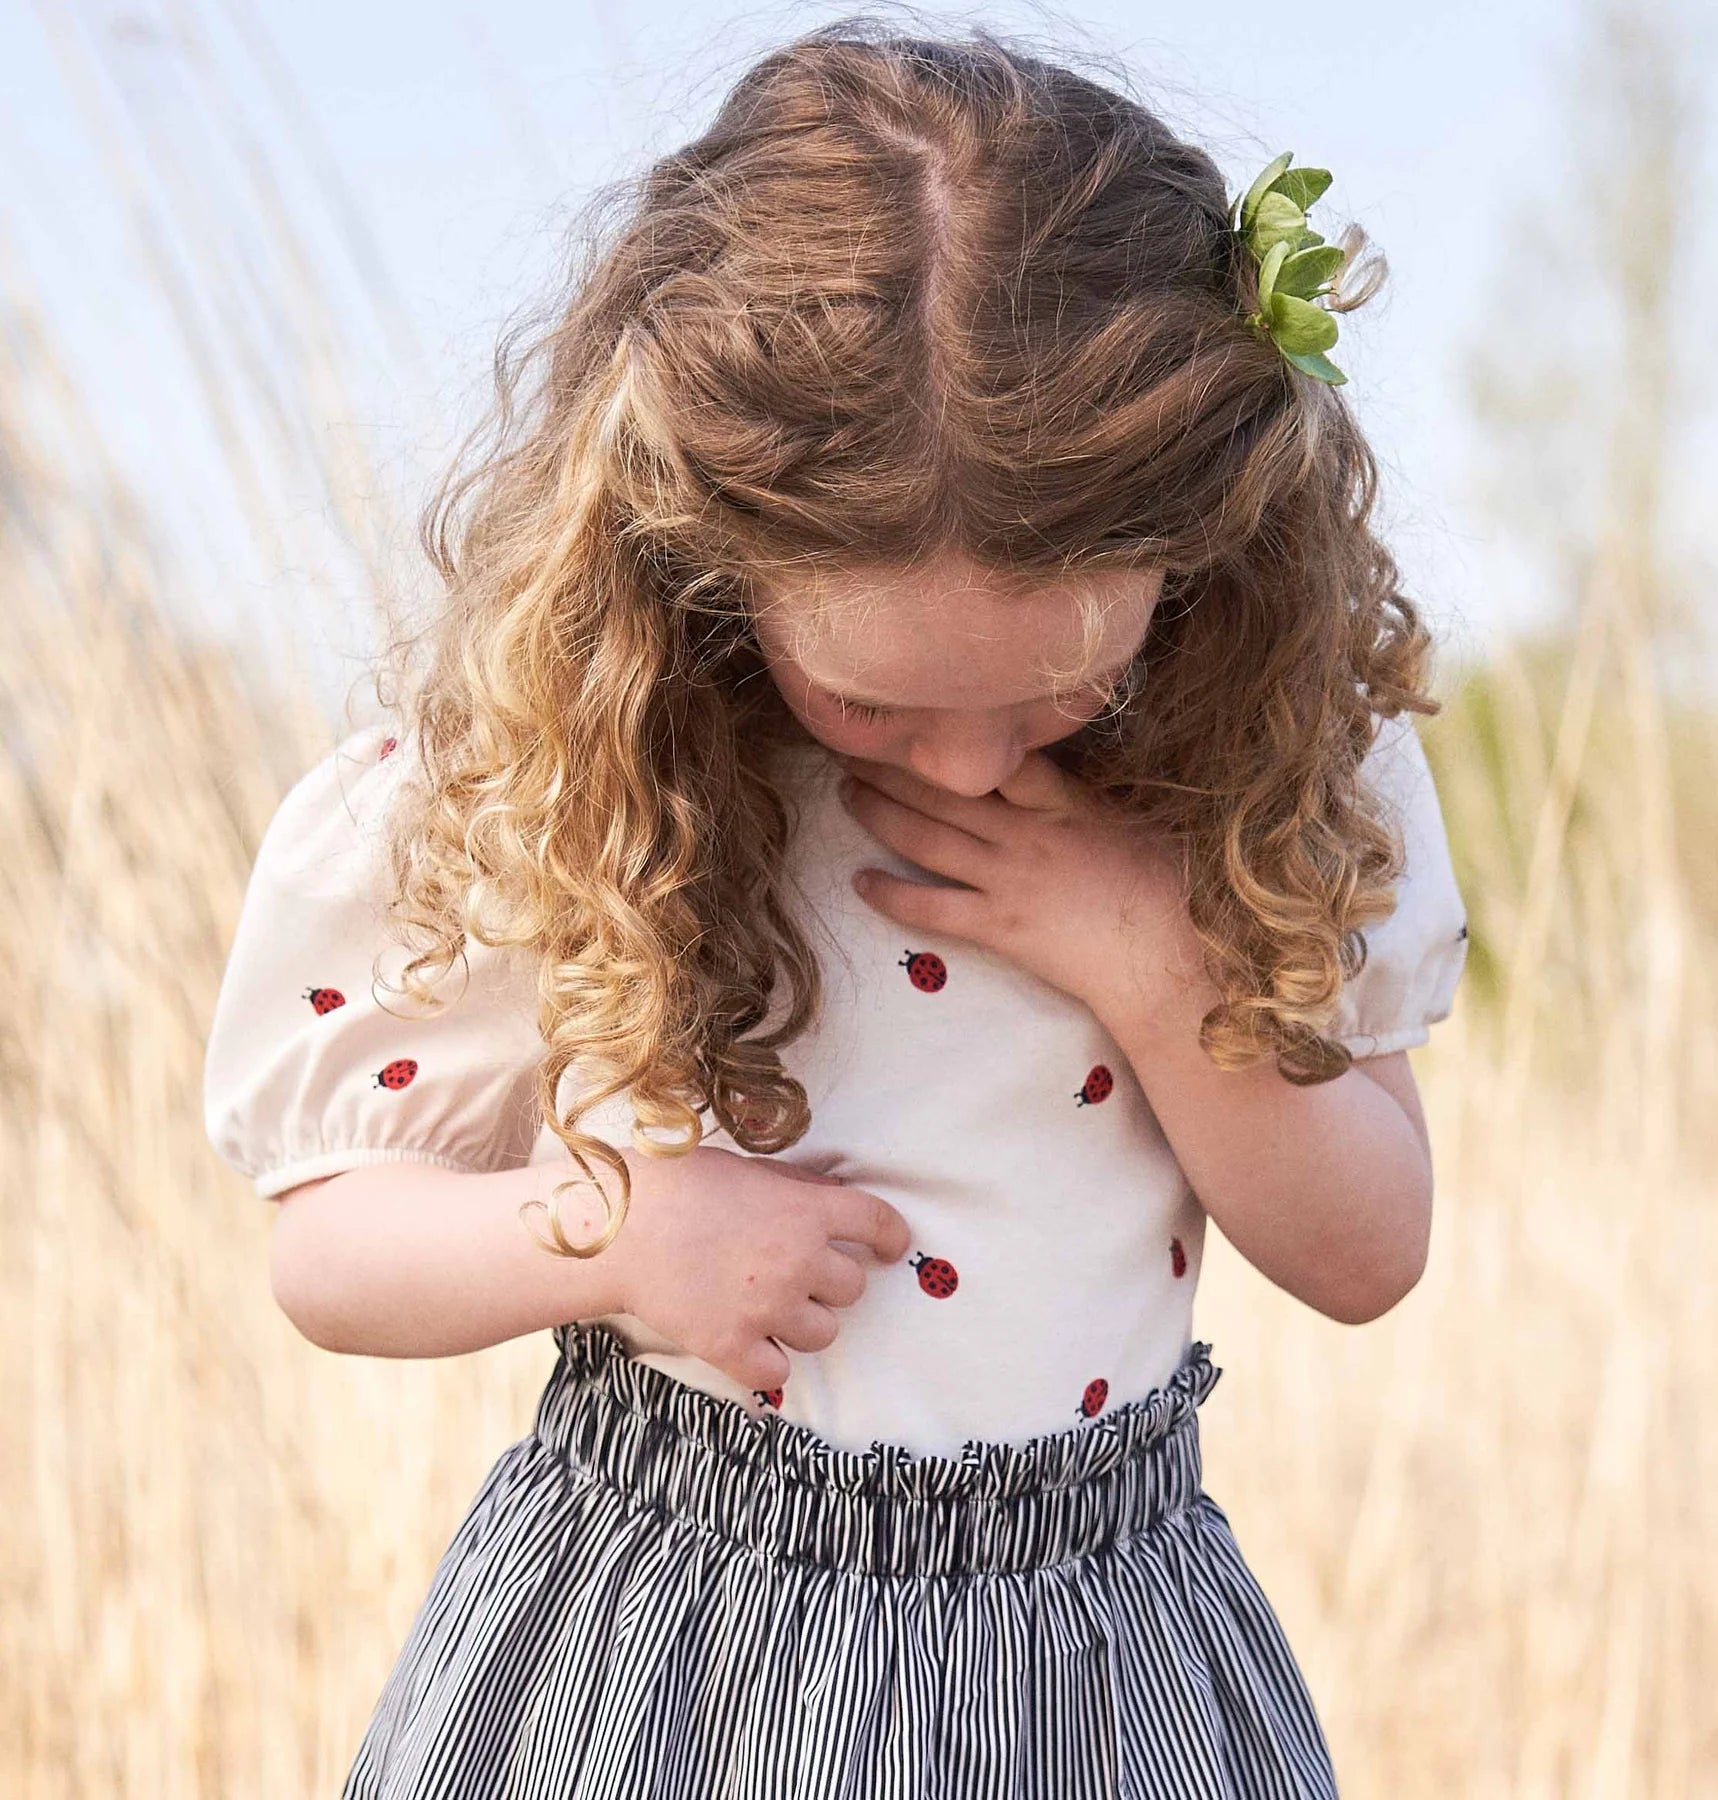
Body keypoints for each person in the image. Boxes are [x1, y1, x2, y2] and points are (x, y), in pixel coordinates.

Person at [202, 21, 1471, 1798]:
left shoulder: (1263, 776)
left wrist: (1149, 956)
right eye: (875, 701)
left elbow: (1368, 1252)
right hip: (659, 1661)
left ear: (1197, 560)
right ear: (696, 563)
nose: (964, 766)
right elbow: (323, 1252)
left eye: (1055, 689)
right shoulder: (582, 782)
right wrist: (620, 1236)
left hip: (1091, 1671)